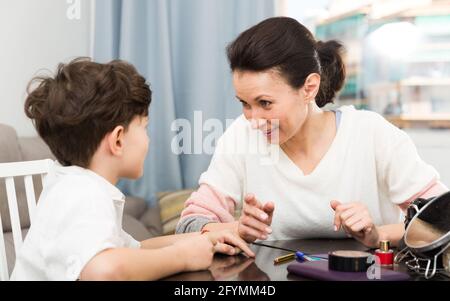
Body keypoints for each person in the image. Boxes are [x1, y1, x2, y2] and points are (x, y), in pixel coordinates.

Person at [176, 17, 448, 248]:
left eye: (265, 103)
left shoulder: (371, 133)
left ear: (309, 88)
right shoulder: (241, 136)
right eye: (244, 104)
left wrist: (378, 235)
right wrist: (236, 229)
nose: (254, 120)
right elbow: (189, 224)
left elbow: (442, 220)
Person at [11, 58, 254, 281]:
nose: (148, 139)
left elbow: (135, 250)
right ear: (118, 140)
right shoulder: (82, 195)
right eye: (144, 127)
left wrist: (203, 239)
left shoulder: (77, 186)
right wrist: (183, 256)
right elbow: (105, 271)